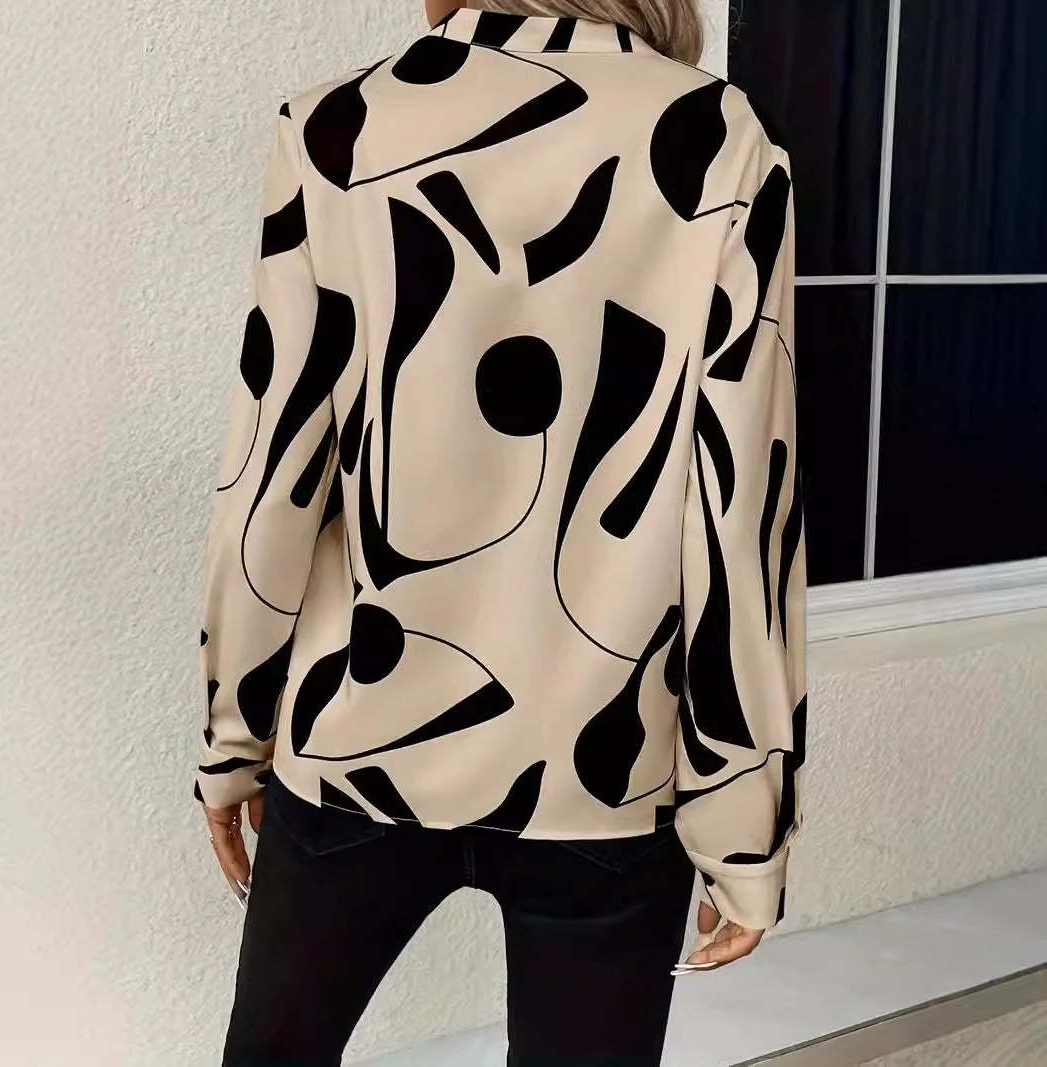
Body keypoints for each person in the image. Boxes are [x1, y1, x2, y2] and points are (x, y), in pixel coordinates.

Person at [193, 1, 808, 1063]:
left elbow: (272, 470)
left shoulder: (339, 127)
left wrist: (232, 735)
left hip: (356, 732)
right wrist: (742, 821)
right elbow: (741, 506)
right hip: (604, 765)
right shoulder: (715, 138)